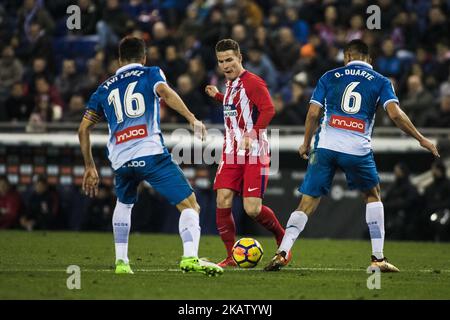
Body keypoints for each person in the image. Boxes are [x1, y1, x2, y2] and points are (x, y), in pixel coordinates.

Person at [264, 39, 439, 272]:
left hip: (325, 146)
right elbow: (396, 115)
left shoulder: (329, 76)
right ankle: (377, 259)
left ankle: (283, 252)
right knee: (372, 195)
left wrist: (305, 143)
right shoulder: (380, 80)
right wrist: (420, 138)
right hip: (357, 150)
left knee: (307, 202)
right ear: (369, 59)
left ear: (346, 57)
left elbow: (313, 113)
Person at [78, 36, 223, 276]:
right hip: (150, 154)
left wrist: (89, 166)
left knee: (124, 204)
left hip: (121, 160)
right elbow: (165, 92)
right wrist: (191, 118)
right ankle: (190, 258)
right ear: (143, 58)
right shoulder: (150, 73)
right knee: (190, 205)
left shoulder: (103, 88)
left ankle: (122, 263)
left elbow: (83, 129)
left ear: (119, 60)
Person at [205, 39, 288, 267]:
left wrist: (252, 134)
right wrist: (217, 97)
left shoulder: (252, 82)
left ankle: (283, 238)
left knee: (252, 209)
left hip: (254, 151)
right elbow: (236, 106)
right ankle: (232, 256)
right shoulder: (229, 84)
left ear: (240, 58)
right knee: (222, 199)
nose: (225, 65)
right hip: (231, 151)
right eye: (221, 61)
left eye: (229, 60)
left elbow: (268, 109)